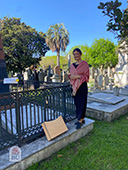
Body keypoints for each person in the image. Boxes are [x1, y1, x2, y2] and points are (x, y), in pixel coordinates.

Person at [69, 48, 89, 129]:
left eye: (77, 53)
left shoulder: (84, 64)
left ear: (80, 54)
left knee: (82, 102)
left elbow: (87, 76)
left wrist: (77, 76)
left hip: (82, 86)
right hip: (74, 87)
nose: (76, 55)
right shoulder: (72, 65)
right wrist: (70, 76)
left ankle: (80, 120)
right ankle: (81, 118)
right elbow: (70, 75)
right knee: (77, 103)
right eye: (74, 54)